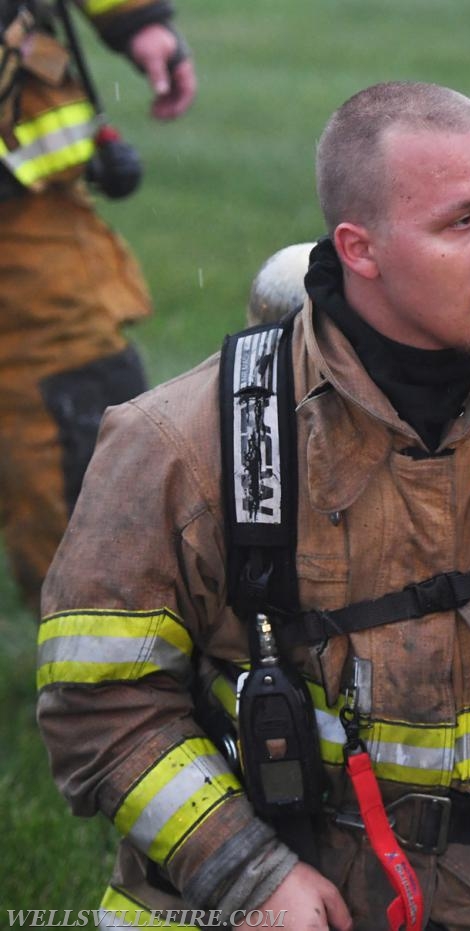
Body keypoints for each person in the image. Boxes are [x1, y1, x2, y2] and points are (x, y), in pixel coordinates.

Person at [37, 82, 470, 931]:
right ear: (358, 249)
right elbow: (99, 697)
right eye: (462, 221)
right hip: (278, 894)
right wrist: (244, 870)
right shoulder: (184, 442)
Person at [0, 0, 196, 612]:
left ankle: (102, 650)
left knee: (82, 405)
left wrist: (134, 20)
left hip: (24, 208)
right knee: (73, 415)